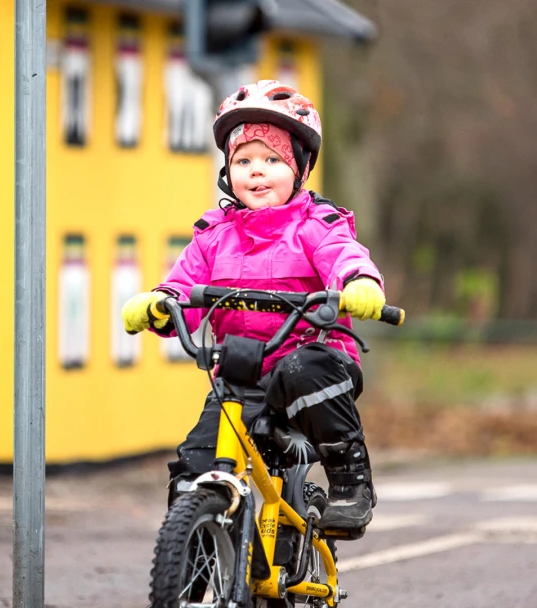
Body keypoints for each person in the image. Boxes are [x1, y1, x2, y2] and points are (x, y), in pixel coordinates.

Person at [121, 80, 387, 538]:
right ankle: (194, 562)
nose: (256, 172)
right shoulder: (213, 235)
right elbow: (183, 287)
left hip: (315, 361)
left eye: (272, 160)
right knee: (193, 468)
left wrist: (359, 283)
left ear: (301, 168)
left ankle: (349, 482)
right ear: (228, 171)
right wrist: (161, 305)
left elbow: (345, 256)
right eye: (243, 161)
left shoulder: (317, 225)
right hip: (243, 372)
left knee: (303, 368)